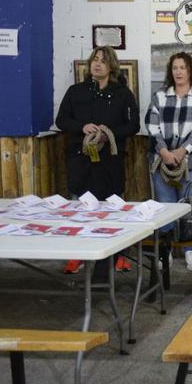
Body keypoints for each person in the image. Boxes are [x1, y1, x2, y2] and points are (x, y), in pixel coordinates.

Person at [56, 46, 139, 274]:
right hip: (81, 160)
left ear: (111, 65)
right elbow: (61, 120)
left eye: (102, 60)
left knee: (114, 209)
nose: (97, 64)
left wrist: (108, 133)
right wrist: (81, 127)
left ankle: (118, 256)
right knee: (80, 210)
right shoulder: (75, 91)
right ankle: (78, 255)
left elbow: (133, 126)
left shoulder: (123, 94)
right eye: (94, 59)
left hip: (110, 162)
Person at [146, 52, 192, 272]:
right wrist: (164, 150)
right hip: (162, 161)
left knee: (189, 205)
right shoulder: (159, 97)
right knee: (165, 206)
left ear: (190, 70)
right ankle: (165, 252)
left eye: (182, 68)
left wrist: (183, 150)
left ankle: (188, 253)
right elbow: (151, 124)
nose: (178, 72)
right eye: (174, 68)